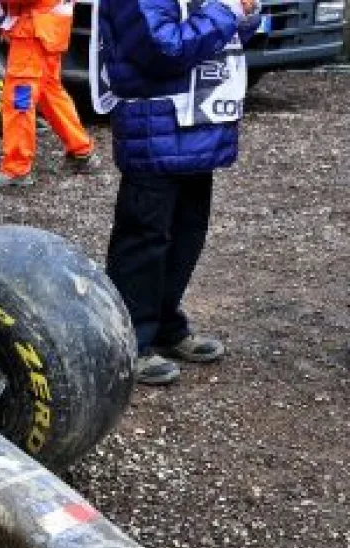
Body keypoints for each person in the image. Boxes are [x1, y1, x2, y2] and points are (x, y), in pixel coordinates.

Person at [95, 0, 261, 384]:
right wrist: (227, 11)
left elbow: (227, 37)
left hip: (200, 124)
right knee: (144, 239)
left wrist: (245, 14)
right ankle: (128, 340)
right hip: (156, 125)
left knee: (187, 234)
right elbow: (162, 49)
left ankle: (164, 323)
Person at [0, 0, 98, 186]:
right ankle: (81, 150)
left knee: (19, 100)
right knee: (50, 93)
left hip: (33, 33)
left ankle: (17, 168)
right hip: (48, 30)